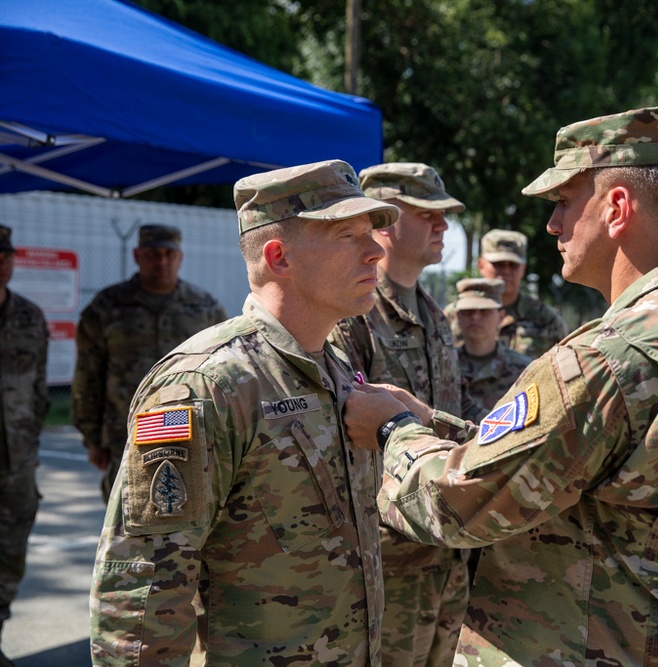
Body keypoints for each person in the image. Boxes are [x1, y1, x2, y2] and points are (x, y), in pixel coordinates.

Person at [346, 103, 658, 665]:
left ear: (617, 207)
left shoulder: (611, 358)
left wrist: (393, 432)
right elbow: (585, 464)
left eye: (564, 202)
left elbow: (458, 503)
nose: (553, 225)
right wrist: (438, 425)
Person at [90, 160, 398, 665]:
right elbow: (142, 592)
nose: (375, 250)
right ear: (278, 257)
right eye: (348, 235)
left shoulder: (335, 365)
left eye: (372, 233)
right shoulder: (205, 385)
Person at [328, 162, 469, 667]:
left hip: (445, 548)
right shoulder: (353, 315)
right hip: (389, 559)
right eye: (429, 213)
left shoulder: (435, 314)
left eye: (444, 215)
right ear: (386, 221)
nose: (443, 226)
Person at [72, 224, 227, 502]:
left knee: (190, 510)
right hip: (125, 431)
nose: (162, 261)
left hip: (189, 429)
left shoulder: (205, 308)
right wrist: (92, 438)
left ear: (180, 258)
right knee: (126, 513)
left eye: (169, 254)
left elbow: (223, 371)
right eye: (153, 254)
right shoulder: (108, 306)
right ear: (137, 255)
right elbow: (89, 374)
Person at [0, 226, 48, 667]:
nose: (1, 264)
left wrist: (30, 442)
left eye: (5, 255)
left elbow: (38, 388)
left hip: (15, 463)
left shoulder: (30, 317)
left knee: (9, 555)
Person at [445, 229, 566, 359]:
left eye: (513, 265)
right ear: (481, 266)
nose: (506, 271)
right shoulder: (454, 315)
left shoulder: (547, 319)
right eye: (498, 264)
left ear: (523, 269)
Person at [452, 277, 531, 422]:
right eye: (468, 311)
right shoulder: (445, 367)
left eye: (484, 311)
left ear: (501, 317)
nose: (475, 317)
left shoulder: (524, 370)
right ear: (457, 316)